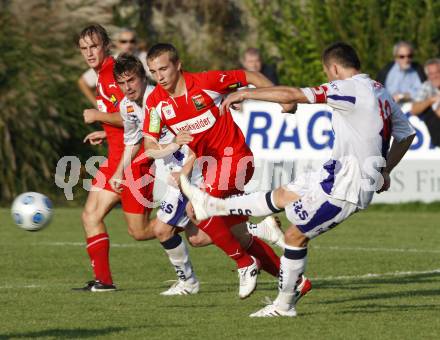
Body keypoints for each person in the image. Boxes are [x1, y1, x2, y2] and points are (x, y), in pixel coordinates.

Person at [180, 42, 416, 317]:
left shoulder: (348, 87)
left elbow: (293, 94)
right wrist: (385, 169)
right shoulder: (379, 90)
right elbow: (407, 134)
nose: (328, 77)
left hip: (348, 187)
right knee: (281, 195)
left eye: (328, 72)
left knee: (294, 237)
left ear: (335, 68)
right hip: (333, 172)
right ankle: (215, 206)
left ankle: (284, 306)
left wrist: (245, 93)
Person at [142, 43, 307, 300]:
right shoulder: (155, 103)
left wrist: (282, 99)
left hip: (236, 159)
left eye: (163, 69)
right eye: (153, 71)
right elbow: (150, 147)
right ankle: (294, 280)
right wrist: (173, 145)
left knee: (196, 209)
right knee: (205, 237)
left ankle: (245, 263)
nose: (159, 76)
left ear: (178, 64)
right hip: (207, 169)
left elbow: (248, 76)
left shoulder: (207, 82)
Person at [75, 24, 156, 292]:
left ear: (106, 45)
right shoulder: (101, 74)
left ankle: (203, 220)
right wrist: (104, 129)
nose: (89, 52)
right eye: (84, 48)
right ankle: (104, 281)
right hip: (115, 155)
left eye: (93, 46)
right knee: (90, 215)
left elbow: (134, 116)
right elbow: (121, 118)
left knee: (140, 231)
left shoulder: (112, 74)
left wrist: (98, 117)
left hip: (131, 157)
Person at [78, 27, 150, 106]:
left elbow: (160, 77)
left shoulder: (145, 58)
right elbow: (83, 82)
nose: (128, 45)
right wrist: (98, 107)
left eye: (132, 41)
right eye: (123, 41)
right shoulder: (108, 65)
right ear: (117, 44)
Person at [410, 58, 440, 147]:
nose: (434, 76)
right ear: (427, 76)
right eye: (431, 74)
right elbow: (414, 109)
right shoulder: (427, 86)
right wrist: (431, 100)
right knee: (429, 113)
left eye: (437, 72)